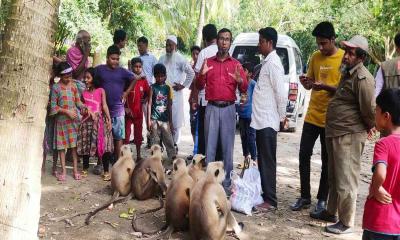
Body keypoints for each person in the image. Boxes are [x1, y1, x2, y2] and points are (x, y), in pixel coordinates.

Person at [313, 35, 376, 234]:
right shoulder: (347, 73)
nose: (345, 56)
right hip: (337, 131)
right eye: (346, 52)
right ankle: (331, 212)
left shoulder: (363, 78)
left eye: (350, 53)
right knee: (335, 176)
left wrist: (368, 126)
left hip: (349, 134)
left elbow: (368, 110)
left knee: (346, 179)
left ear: (361, 57)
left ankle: (346, 222)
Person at [291, 22, 345, 215]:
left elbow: (344, 91)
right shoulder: (315, 57)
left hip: (331, 119)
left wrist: (326, 87)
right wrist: (306, 82)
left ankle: (322, 200)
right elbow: (310, 85)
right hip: (312, 115)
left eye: (324, 43)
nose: (320, 47)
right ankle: (305, 196)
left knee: (327, 160)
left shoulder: (343, 58)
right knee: (304, 154)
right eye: (318, 44)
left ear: (333, 39)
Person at [196, 28, 248, 193]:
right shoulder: (208, 62)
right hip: (211, 107)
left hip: (228, 109)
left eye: (227, 39)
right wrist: (201, 76)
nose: (224, 41)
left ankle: (226, 186)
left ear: (230, 43)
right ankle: (209, 186)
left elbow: (245, 87)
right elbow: (198, 86)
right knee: (209, 148)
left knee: (227, 149)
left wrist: (241, 81)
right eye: (221, 38)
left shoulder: (236, 64)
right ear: (217, 41)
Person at [251, 27, 287, 210]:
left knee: (267, 160)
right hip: (261, 120)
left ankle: (271, 200)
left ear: (269, 43)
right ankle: (267, 196)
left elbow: (281, 93)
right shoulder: (267, 62)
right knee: (264, 159)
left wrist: (282, 117)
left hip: (267, 120)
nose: (259, 44)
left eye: (261, 41)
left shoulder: (273, 64)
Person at [362, 88, 400, 240]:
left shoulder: (383, 144)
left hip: (379, 222)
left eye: (376, 110)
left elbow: (380, 172)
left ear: (386, 116)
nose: (374, 114)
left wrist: (377, 188)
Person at [95, 45, 137, 168]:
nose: (115, 61)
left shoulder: (122, 71)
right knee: (102, 137)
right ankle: (100, 163)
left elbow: (134, 78)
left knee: (118, 138)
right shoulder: (99, 70)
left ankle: (117, 163)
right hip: (103, 110)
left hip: (118, 110)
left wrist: (126, 92)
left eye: (117, 59)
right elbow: (92, 78)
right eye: (113, 58)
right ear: (107, 58)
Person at [49, 62, 87, 181]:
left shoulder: (73, 86)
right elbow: (54, 107)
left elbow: (77, 102)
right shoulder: (55, 88)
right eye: (66, 77)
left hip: (73, 122)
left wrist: (84, 107)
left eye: (70, 76)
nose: (69, 78)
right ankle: (63, 171)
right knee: (61, 148)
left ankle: (75, 170)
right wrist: (67, 111)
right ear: (60, 76)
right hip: (61, 122)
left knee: (74, 147)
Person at [158, 35, 195, 152]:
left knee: (175, 121)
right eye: (166, 45)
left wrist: (183, 85)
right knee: (162, 120)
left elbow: (191, 73)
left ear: (175, 46)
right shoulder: (162, 58)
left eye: (170, 45)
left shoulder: (180, 58)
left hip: (176, 94)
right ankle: (164, 145)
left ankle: (174, 145)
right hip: (162, 94)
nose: (168, 47)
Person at [76, 68, 113, 180]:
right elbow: (82, 108)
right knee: (86, 145)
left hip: (100, 122)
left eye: (88, 77)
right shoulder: (84, 93)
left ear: (94, 79)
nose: (85, 80)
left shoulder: (101, 90)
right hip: (87, 123)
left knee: (104, 145)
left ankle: (106, 171)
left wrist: (109, 119)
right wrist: (84, 111)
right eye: (85, 78)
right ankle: (85, 168)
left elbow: (104, 105)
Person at [194, 24, 218, 155]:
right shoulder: (223, 51)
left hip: (204, 98)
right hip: (219, 99)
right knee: (217, 130)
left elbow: (198, 76)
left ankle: (203, 158)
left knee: (204, 130)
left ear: (204, 37)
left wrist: (193, 97)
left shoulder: (204, 52)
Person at [147, 63, 176, 161]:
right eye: (157, 76)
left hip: (165, 120)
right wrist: (148, 120)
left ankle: (173, 157)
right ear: (154, 76)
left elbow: (169, 105)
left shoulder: (167, 88)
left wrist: (171, 122)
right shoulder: (152, 88)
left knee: (169, 140)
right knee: (155, 140)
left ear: (165, 76)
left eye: (162, 76)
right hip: (154, 119)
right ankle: (156, 159)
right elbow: (149, 104)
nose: (160, 78)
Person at [124, 58, 150, 160]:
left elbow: (148, 92)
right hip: (128, 113)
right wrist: (125, 108)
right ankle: (125, 156)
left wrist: (146, 99)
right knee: (126, 135)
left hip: (138, 112)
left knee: (138, 135)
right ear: (131, 67)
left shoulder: (143, 81)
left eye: (140, 67)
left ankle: (138, 155)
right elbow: (122, 94)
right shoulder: (127, 80)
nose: (138, 69)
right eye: (136, 66)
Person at [136, 36, 158, 148]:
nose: (139, 48)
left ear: (146, 45)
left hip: (148, 90)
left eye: (141, 45)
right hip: (137, 90)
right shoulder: (136, 59)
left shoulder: (152, 58)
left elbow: (157, 73)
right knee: (139, 115)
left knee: (149, 116)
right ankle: (139, 138)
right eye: (138, 46)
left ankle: (150, 139)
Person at [238, 62, 257, 164]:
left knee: (251, 138)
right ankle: (246, 159)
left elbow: (257, 98)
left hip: (250, 115)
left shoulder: (253, 84)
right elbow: (239, 98)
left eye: (244, 70)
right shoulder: (239, 83)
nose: (241, 72)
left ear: (250, 73)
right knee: (243, 137)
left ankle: (254, 160)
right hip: (241, 115)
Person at [188, 45, 201, 158]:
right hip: (192, 100)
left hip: (199, 101)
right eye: (193, 54)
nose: (195, 56)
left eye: (197, 54)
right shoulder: (191, 69)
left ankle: (197, 152)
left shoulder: (202, 68)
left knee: (199, 128)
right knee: (193, 127)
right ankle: (195, 149)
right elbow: (191, 86)